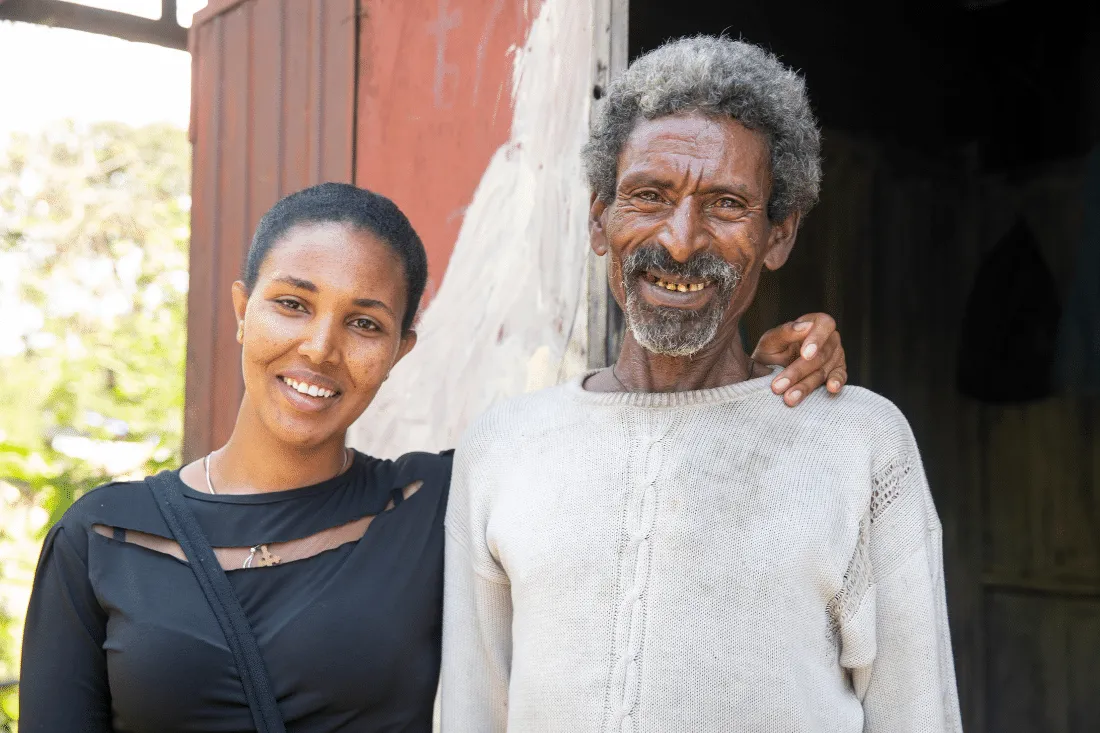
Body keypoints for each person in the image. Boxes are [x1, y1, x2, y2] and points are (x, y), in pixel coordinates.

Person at [19, 182, 848, 732]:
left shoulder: (437, 502)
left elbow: (630, 448)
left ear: (403, 347)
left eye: (365, 322)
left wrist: (758, 371)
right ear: (242, 310)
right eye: (291, 304)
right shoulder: (103, 540)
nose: (319, 348)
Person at [441, 36, 963, 733]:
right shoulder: (504, 448)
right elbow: (473, 711)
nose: (681, 240)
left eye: (724, 204)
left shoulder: (859, 444)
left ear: (779, 234)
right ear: (600, 218)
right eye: (649, 196)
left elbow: (917, 715)